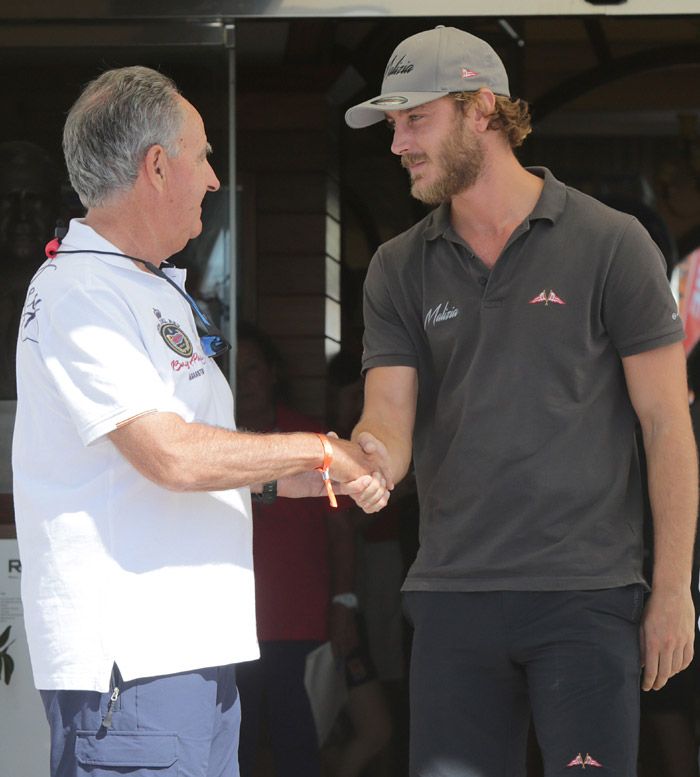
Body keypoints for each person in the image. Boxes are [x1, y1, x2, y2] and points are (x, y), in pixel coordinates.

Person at [12, 65, 390, 777]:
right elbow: (171, 456)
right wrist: (314, 449)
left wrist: (306, 478)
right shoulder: (80, 291)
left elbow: (197, 464)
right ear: (157, 166)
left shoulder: (144, 286)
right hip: (136, 670)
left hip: (190, 659)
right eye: (205, 154)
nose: (215, 179)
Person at [344, 25, 698, 777]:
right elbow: (388, 415)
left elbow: (668, 422)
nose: (397, 142)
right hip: (450, 595)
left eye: (415, 118)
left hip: (588, 595)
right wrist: (367, 458)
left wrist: (673, 589)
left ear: (481, 110)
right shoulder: (396, 268)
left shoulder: (613, 243)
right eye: (392, 123)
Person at [234, 323, 360, 777]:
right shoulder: (210, 445)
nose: (243, 379)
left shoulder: (308, 440)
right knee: (233, 752)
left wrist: (344, 602)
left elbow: (342, 530)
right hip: (230, 626)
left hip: (300, 623)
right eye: (235, 369)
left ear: (272, 373)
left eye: (252, 368)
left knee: (300, 750)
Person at [0, 140, 62, 397]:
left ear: (55, 211)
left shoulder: (82, 296)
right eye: (8, 200)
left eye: (35, 200)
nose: (22, 215)